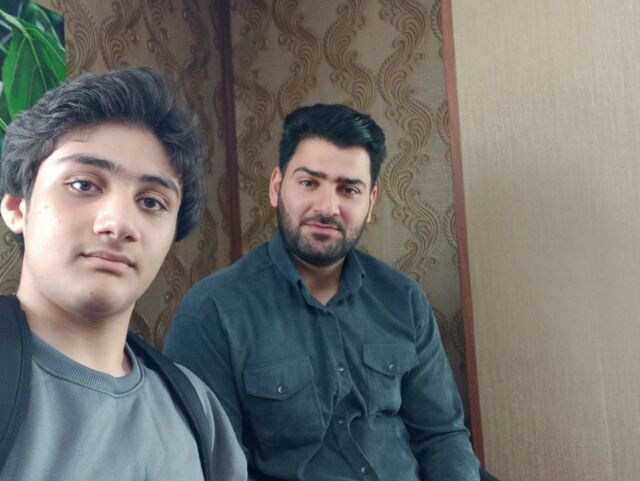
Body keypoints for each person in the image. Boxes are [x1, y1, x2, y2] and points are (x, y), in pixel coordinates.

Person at [164, 103, 481, 480]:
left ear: (370, 202)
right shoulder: (212, 312)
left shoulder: (404, 299)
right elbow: (216, 468)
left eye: (348, 189)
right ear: (276, 187)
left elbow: (442, 436)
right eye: (309, 183)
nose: (328, 207)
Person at [0, 68, 246, 481]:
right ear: (16, 208)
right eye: (83, 185)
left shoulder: (198, 409)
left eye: (151, 202)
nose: (118, 223)